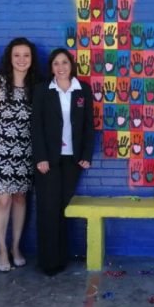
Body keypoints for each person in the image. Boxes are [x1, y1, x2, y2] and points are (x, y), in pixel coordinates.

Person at [31, 48, 94, 276]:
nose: (60, 67)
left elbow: (89, 126)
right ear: (51, 67)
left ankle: (61, 258)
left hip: (72, 161)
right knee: (48, 209)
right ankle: (49, 262)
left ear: (71, 65)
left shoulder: (82, 90)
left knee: (62, 209)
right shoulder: (41, 91)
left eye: (64, 63)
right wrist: (41, 157)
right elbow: (35, 127)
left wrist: (86, 155)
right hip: (48, 160)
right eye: (56, 63)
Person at [0, 38, 38, 272]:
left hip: (26, 151)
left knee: (19, 198)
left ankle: (15, 247)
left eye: (26, 55)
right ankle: (2, 249)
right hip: (0, 151)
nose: (22, 60)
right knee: (3, 199)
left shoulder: (36, 86)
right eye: (17, 55)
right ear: (10, 57)